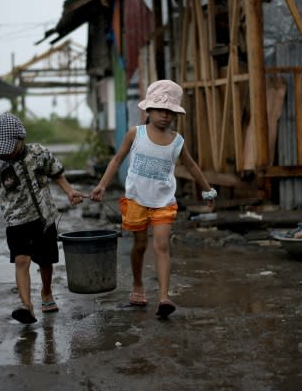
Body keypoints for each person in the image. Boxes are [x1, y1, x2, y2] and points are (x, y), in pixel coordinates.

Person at [89, 80, 216, 318]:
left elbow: (192, 166)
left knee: (161, 245)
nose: (165, 116)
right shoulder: (135, 134)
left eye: (170, 112)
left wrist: (208, 190)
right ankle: (138, 285)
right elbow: (117, 160)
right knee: (140, 245)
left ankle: (164, 297)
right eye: (160, 110)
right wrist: (102, 185)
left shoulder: (177, 141)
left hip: (164, 202)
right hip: (137, 199)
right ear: (148, 110)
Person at [0, 113, 83, 324]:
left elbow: (56, 172)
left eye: (9, 146)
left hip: (44, 218)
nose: (5, 152)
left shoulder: (39, 153)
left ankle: (46, 293)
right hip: (16, 221)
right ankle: (26, 306)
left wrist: (70, 191)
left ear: (20, 138)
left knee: (46, 261)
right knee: (21, 260)